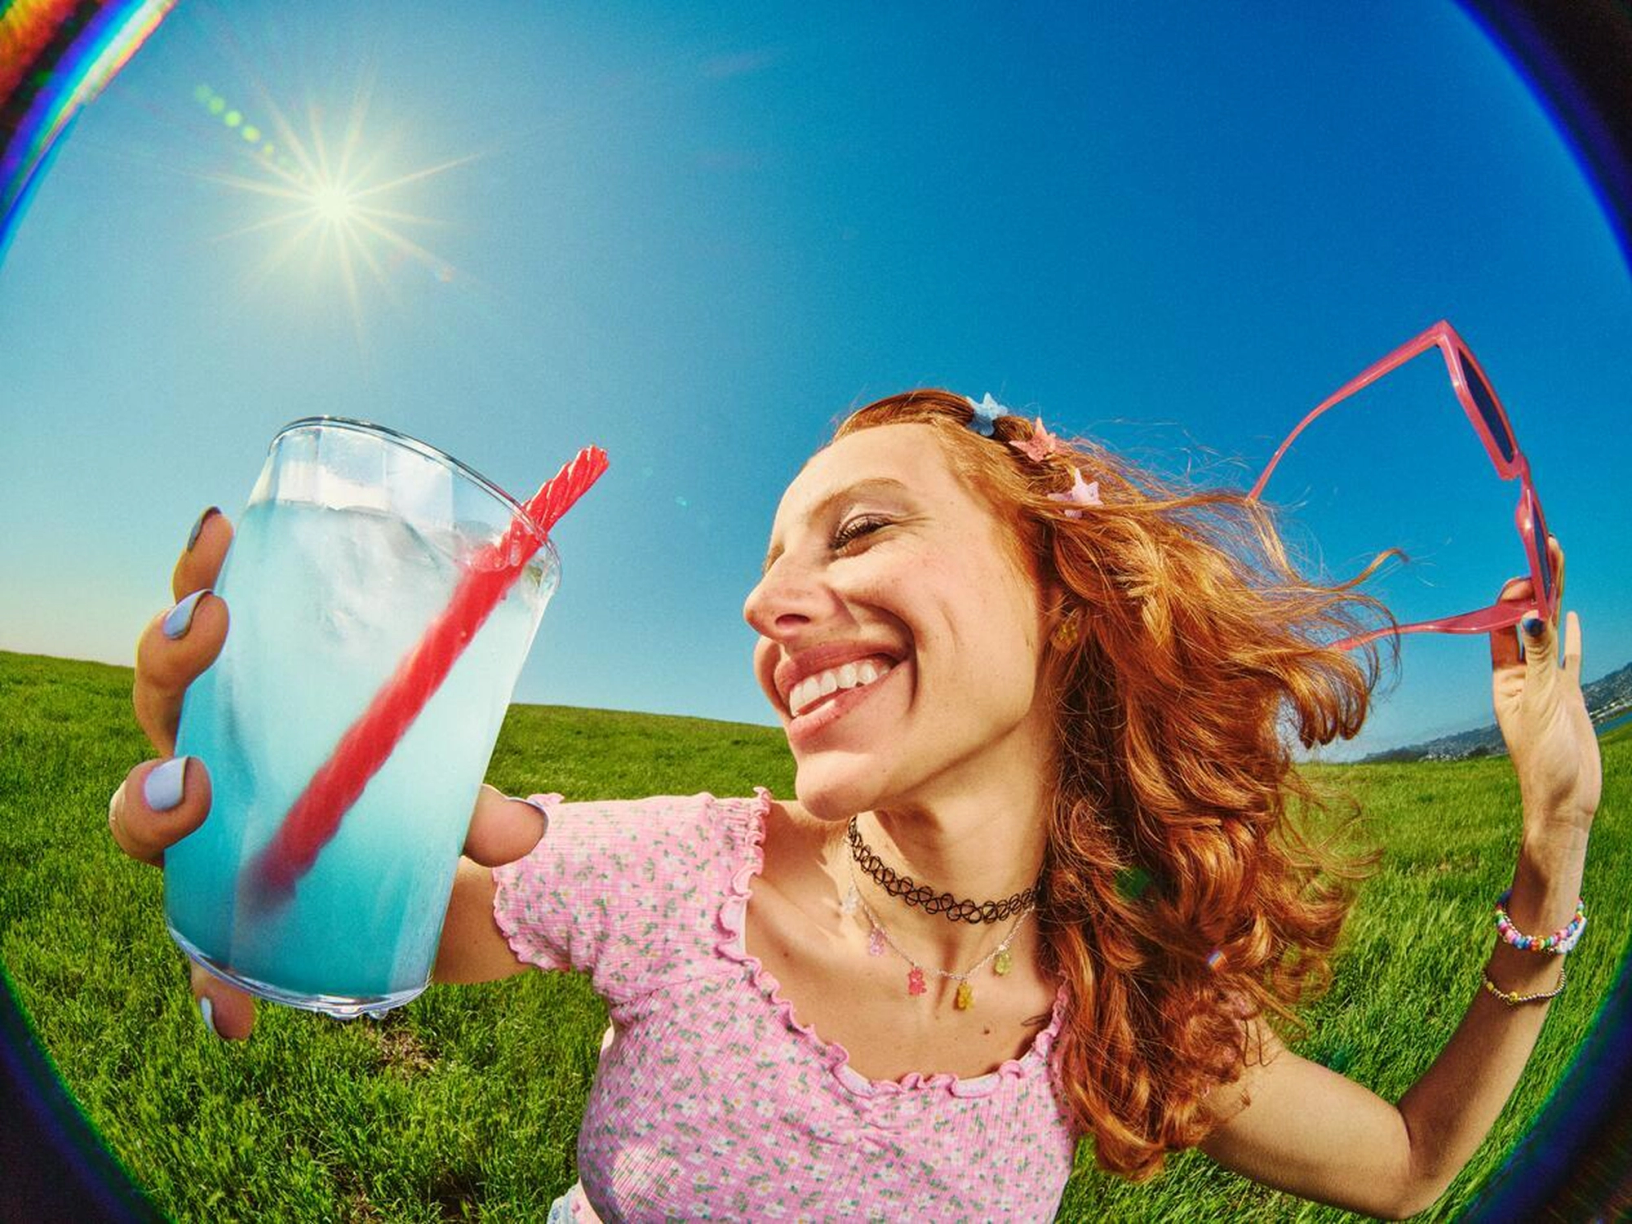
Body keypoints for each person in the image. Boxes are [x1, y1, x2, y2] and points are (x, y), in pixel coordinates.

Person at [109, 389, 1602, 1220]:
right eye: (769, 564)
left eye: (860, 529)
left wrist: (1552, 857)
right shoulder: (687, 876)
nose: (767, 606)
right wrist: (254, 802)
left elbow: (1411, 1169)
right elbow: (342, 918)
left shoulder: (1115, 1007)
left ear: (1061, 597)